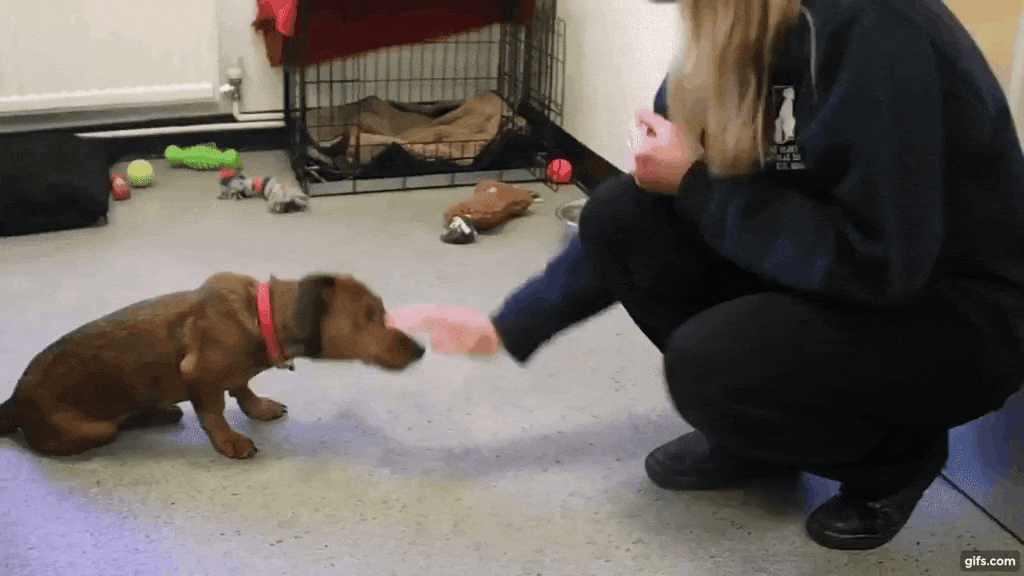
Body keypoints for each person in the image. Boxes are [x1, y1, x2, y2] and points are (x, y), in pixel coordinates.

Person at [386, 0, 1024, 551]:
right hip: (845, 273)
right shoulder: (730, 25)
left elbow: (882, 266)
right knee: (622, 213)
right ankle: (765, 439)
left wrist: (696, 185)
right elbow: (653, 205)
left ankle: (895, 459)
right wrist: (507, 326)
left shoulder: (873, 31)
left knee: (713, 364)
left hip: (956, 313)